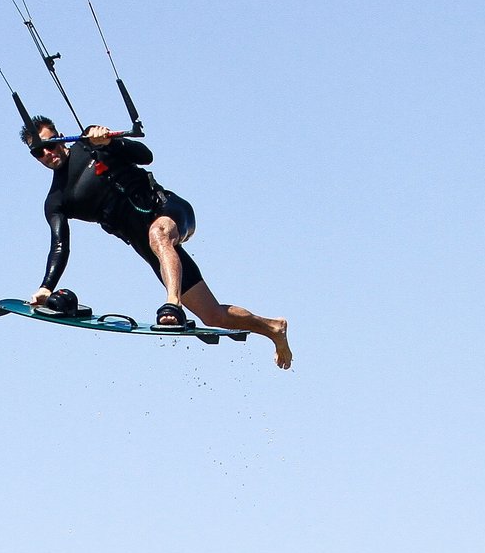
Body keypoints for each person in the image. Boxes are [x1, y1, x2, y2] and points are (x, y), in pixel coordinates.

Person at [21, 117, 291, 369]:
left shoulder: (90, 144)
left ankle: (173, 302)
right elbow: (59, 245)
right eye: (38, 152)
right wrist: (46, 287)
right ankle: (273, 328)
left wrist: (111, 142)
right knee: (213, 316)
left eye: (50, 144)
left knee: (159, 234)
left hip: (169, 211)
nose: (47, 154)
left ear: (61, 137)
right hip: (153, 250)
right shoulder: (56, 201)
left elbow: (145, 156)